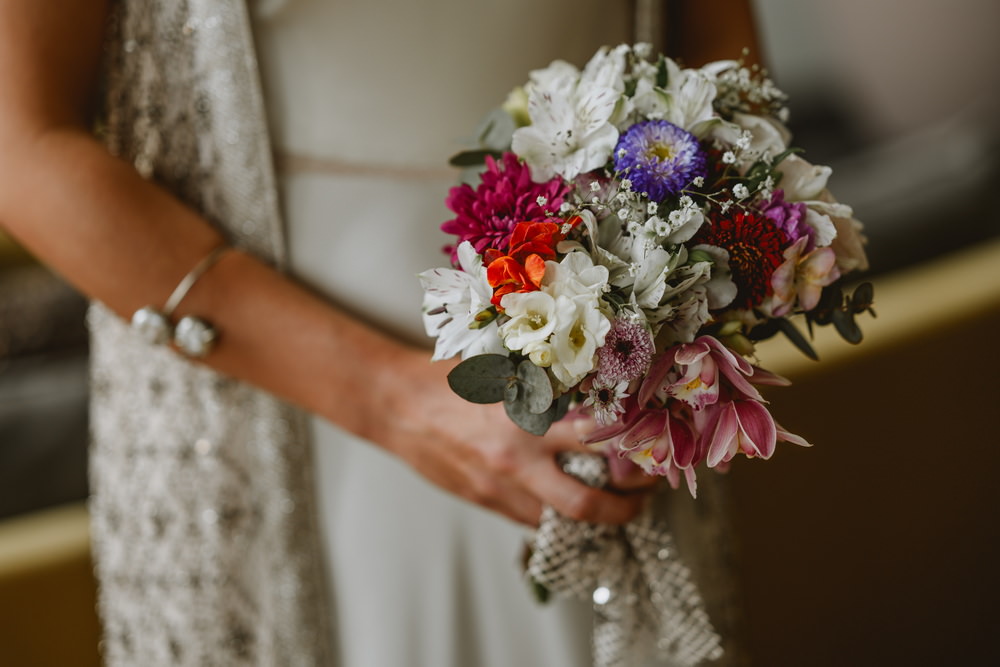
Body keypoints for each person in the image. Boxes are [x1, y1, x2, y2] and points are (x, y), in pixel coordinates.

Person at [0, 0, 759, 664]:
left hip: (609, 373)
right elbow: (19, 144)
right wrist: (389, 395)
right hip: (277, 398)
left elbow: (718, 44)